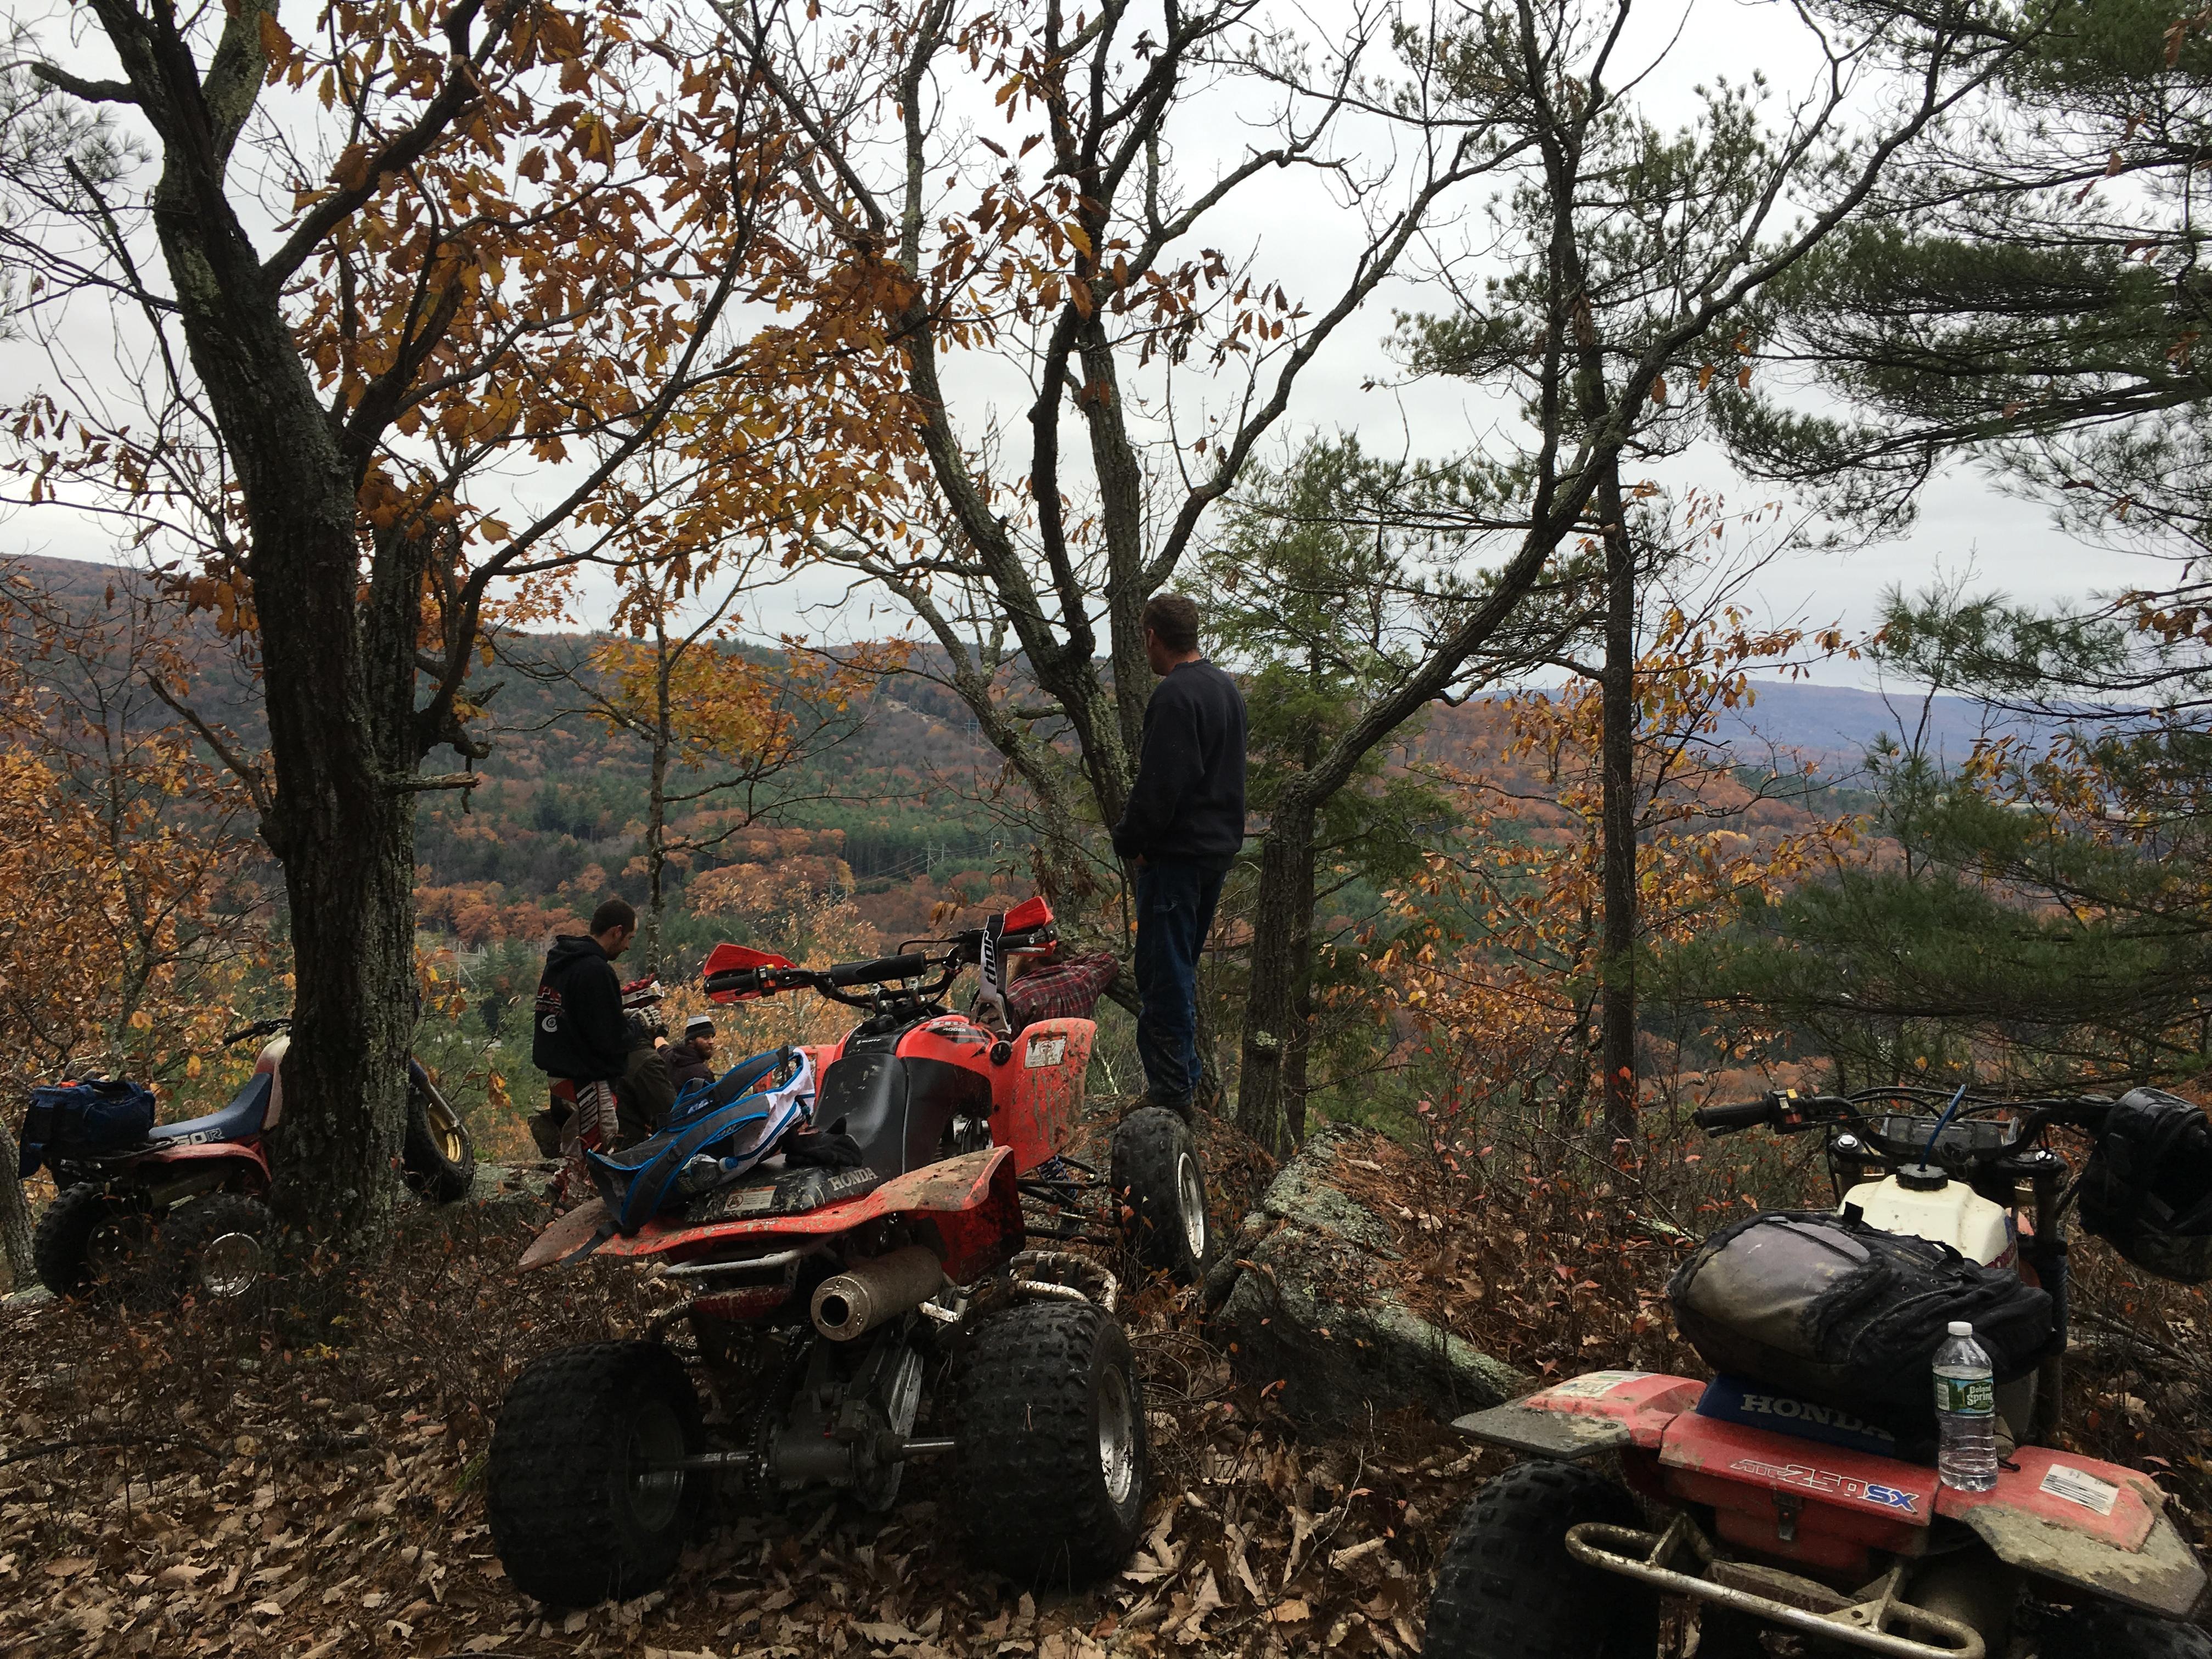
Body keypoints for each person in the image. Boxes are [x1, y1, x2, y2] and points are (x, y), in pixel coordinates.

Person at [1109, 593, 1246, 1116]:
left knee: (1163, 974)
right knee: (1179, 966)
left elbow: (1160, 785)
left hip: (1177, 858)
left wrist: (1131, 842)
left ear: (1151, 636)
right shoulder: (1224, 687)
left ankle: (1170, 1095)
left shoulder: (1174, 696)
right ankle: (1184, 1081)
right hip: (1214, 852)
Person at [529, 898, 637, 1163]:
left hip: (559, 1077)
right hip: (587, 1081)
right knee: (593, 1156)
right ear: (617, 931)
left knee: (573, 1152)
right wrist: (637, 1027)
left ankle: (567, 1187)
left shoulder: (560, 963)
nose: (628, 946)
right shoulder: (595, 971)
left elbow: (577, 1018)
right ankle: (580, 1190)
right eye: (629, 938)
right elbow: (609, 1038)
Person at [666, 1015, 718, 1091]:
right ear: (691, 1040)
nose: (711, 1042)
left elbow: (662, 1047)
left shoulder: (669, 1057)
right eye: (706, 1037)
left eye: (712, 1037)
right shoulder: (702, 1074)